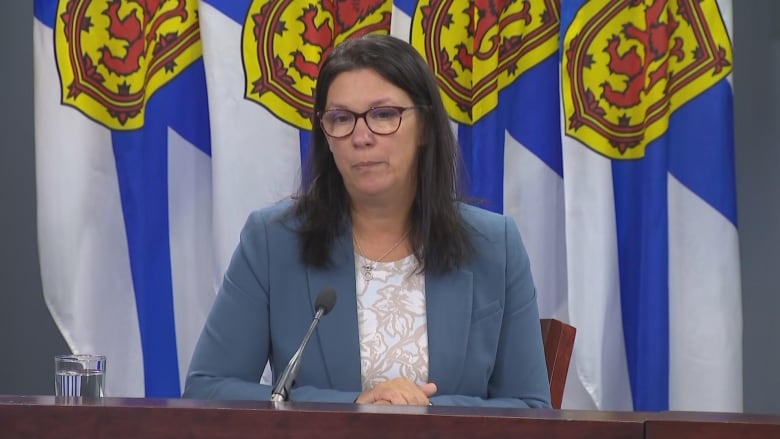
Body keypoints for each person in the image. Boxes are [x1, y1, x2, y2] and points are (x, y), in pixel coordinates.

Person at [183, 34, 551, 408]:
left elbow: (531, 408)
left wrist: (422, 412)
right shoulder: (273, 241)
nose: (361, 137)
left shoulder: (494, 245)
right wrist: (356, 405)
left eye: (383, 115)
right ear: (326, 135)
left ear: (424, 126)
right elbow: (209, 389)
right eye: (341, 118)